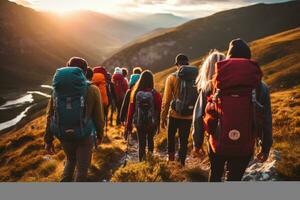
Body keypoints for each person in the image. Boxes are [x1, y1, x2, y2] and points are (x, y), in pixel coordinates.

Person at [192, 39, 273, 182]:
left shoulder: (213, 84)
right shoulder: (261, 87)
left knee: (215, 174)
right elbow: (266, 119)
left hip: (217, 143)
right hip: (245, 145)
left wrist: (197, 143)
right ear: (249, 59)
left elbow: (199, 116)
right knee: (234, 179)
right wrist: (265, 147)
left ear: (228, 58)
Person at [44, 57, 105, 182]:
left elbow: (50, 115)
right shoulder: (92, 89)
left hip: (64, 134)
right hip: (84, 135)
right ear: (84, 71)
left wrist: (48, 140)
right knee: (82, 170)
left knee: (70, 161)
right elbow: (99, 117)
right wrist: (100, 134)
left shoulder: (57, 90)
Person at [161, 54, 198, 166]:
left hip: (174, 115)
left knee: (171, 137)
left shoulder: (171, 77)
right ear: (188, 63)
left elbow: (166, 100)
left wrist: (162, 117)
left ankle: (171, 160)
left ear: (177, 65)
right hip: (189, 115)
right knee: (184, 140)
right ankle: (182, 163)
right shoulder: (195, 77)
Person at [126, 70, 162, 161]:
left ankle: (141, 161)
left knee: (141, 143)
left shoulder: (135, 93)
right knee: (150, 140)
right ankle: (150, 160)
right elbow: (159, 109)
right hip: (151, 122)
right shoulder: (155, 94)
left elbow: (131, 110)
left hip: (139, 122)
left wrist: (128, 125)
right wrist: (159, 123)